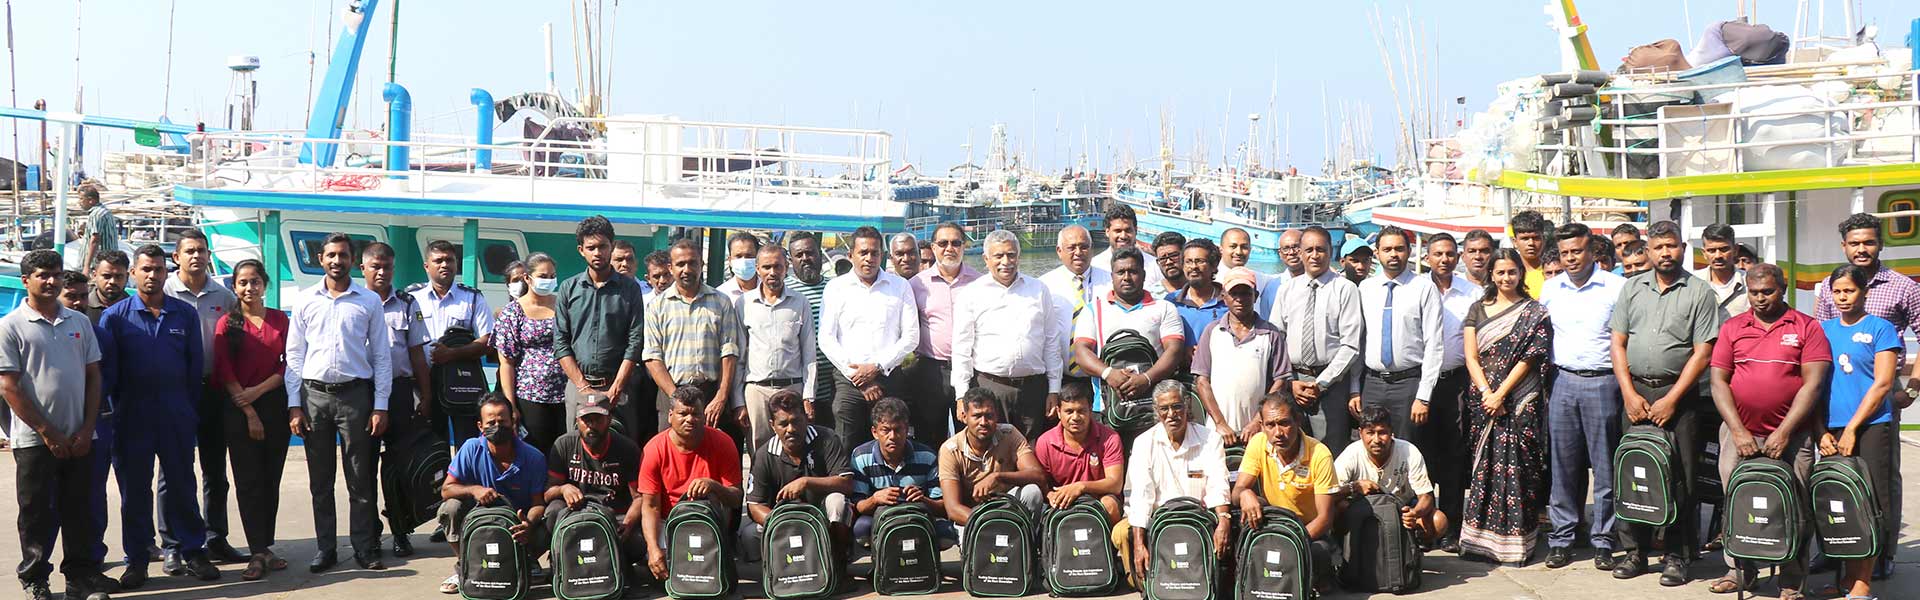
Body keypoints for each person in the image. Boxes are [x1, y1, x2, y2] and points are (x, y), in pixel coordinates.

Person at [1605, 220, 1719, 585]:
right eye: (1658, 247)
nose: (1665, 253)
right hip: (1635, 394)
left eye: (1671, 246)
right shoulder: (1632, 288)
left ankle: (1677, 555)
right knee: (1635, 473)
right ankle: (1635, 552)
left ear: (1682, 248)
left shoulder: (1699, 291)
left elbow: (1703, 352)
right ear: (1647, 250)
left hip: (1679, 398)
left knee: (1680, 477)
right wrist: (1628, 393)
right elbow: (1618, 342)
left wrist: (1672, 399)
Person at [1706, 264, 1828, 597]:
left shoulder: (1806, 327)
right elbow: (1719, 382)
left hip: (1794, 435)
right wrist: (1739, 431)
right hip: (1739, 433)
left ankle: (1792, 579)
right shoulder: (1733, 327)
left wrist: (1785, 431)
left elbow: (1813, 384)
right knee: (1739, 501)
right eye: (1754, 292)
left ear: (1783, 288)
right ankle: (1740, 571)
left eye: (1768, 291)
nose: (1760, 299)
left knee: (1796, 504)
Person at [100, 244, 219, 586]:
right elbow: (109, 375)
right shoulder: (116, 316)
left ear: (166, 273)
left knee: (182, 485)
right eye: (145, 269)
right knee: (134, 492)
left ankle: (193, 550)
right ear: (133, 274)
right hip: (131, 418)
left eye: (158, 269)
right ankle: (136, 558)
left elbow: (193, 366)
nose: (152, 275)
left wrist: (188, 410)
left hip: (176, 415)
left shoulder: (183, 314)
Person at [1811, 213, 1918, 582]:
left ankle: (1882, 553)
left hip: (1878, 406)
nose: (1862, 249)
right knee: (1835, 484)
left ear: (1880, 244)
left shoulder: (1903, 287)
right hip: (1834, 409)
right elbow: (1820, 351)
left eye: (1868, 242)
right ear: (1844, 246)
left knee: (1880, 484)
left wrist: (1913, 388)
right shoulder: (1828, 288)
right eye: (1855, 243)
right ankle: (1836, 550)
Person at [4, 249, 115, 600]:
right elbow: (8, 386)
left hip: (80, 436)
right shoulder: (10, 326)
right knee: (36, 513)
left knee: (80, 509)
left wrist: (86, 428)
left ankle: (80, 578)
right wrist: (47, 432)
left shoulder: (79, 322)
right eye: (42, 275)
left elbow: (94, 377)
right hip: (35, 441)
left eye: (55, 273)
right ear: (26, 281)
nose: (51, 281)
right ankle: (36, 579)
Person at [285, 232, 394, 573]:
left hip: (355, 397)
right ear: (321, 259)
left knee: (360, 479)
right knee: (320, 480)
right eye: (330, 255)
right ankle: (326, 549)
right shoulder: (305, 300)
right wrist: (294, 404)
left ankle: (364, 548)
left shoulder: (368, 301)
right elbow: (294, 354)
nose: (336, 261)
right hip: (314, 397)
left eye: (343, 255)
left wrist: (380, 405)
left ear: (352, 260)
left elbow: (381, 355)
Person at [1538, 222, 1628, 570]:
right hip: (1563, 382)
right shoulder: (1551, 289)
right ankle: (1562, 538)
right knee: (1563, 466)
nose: (1571, 258)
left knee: (1605, 468)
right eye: (1565, 253)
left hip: (1603, 383)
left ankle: (1604, 540)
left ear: (1591, 251)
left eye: (1577, 251)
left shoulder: (1615, 287)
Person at [1457, 248, 1552, 567]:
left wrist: (1502, 394)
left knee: (1522, 470)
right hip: (1483, 402)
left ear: (1520, 274)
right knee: (1483, 469)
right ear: (1492, 275)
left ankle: (1516, 544)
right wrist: (1487, 392)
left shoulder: (1534, 312)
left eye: (1512, 272)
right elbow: (1471, 356)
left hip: (1520, 400)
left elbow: (1531, 357)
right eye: (1500, 272)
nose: (1506, 277)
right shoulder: (1476, 309)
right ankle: (1479, 541)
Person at [158, 229, 247, 565]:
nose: (196, 256)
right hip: (175, 391)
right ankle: (172, 544)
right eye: (189, 251)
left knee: (215, 471)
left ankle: (215, 538)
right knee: (172, 471)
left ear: (209, 255)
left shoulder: (223, 297)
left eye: (201, 250)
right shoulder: (164, 293)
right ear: (176, 257)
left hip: (213, 390)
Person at [1816, 264, 1898, 600]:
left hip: (1871, 427)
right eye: (1837, 291)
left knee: (1872, 502)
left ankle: (1863, 581)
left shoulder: (1882, 329)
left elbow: (1883, 384)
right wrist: (1820, 429)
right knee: (1839, 502)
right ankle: (1844, 578)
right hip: (1830, 428)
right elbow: (1812, 385)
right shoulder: (1821, 330)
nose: (1843, 297)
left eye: (1849, 290)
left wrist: (1852, 428)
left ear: (1864, 292)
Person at [211, 259, 293, 581]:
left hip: (274, 402)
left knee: (271, 479)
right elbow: (224, 369)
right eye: (243, 282)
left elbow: (289, 362)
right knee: (248, 482)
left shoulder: (279, 320)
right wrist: (247, 408)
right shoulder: (225, 324)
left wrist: (258, 392)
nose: (249, 288)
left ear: (265, 284)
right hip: (238, 407)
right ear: (234, 287)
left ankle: (265, 547)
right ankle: (257, 551)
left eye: (255, 281)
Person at [360, 241, 435, 556]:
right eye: (375, 266)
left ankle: (401, 530)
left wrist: (426, 395)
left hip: (400, 392)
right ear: (362, 268)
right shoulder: (356, 302)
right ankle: (370, 535)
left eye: (387, 266)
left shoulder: (407, 304)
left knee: (400, 467)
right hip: (361, 392)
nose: (381, 272)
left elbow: (417, 354)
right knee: (362, 468)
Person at [953, 230, 1064, 442]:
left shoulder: (1039, 290)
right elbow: (961, 349)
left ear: (1018, 256)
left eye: (1011, 255)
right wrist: (961, 395)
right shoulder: (971, 294)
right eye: (999, 256)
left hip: (1033, 389)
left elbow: (1051, 342)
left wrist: (1054, 390)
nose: (1006, 261)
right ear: (986, 259)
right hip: (990, 386)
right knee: (993, 451)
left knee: (1032, 452)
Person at [1121, 380, 1233, 585]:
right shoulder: (1144, 443)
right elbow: (1141, 496)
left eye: (1177, 406)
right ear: (1156, 411)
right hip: (1159, 522)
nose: (1171, 414)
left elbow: (1218, 485)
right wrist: (1139, 543)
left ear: (1187, 405)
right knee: (1122, 535)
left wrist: (1224, 521)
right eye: (1164, 408)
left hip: (1199, 520)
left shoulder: (1210, 438)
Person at [435, 396, 549, 594]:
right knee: (450, 508)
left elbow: (539, 503)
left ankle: (526, 561)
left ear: (513, 421)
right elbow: (446, 489)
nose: (497, 426)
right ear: (480, 426)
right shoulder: (471, 448)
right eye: (491, 422)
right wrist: (473, 489)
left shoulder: (534, 457)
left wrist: (528, 525)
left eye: (503, 421)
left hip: (517, 527)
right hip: (481, 526)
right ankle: (466, 566)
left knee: (552, 516)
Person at [819, 226, 919, 450]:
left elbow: (911, 337)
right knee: (845, 445)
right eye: (863, 253)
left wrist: (877, 367)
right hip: (848, 380)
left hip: (889, 377)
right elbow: (826, 338)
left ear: (882, 256)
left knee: (892, 444)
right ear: (851, 255)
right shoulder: (836, 288)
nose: (869, 258)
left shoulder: (899, 286)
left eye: (874, 253)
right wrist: (858, 376)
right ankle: (845, 486)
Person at [1070, 247, 1186, 434]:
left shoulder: (1164, 307)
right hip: (1108, 409)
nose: (1126, 277)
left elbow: (1174, 351)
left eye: (1133, 271)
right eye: (1121, 272)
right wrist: (1109, 374)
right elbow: (1082, 352)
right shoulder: (1094, 309)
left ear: (1143, 274)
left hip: (1155, 408)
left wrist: (1146, 379)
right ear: (1112, 275)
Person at [1232, 395, 1340, 593]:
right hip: (1271, 527)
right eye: (1270, 425)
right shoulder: (1258, 443)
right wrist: (1245, 493)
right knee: (1251, 506)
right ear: (1262, 426)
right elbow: (1237, 492)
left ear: (1298, 421)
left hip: (1307, 532)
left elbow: (1325, 518)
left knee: (1319, 553)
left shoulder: (1320, 454)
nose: (1278, 432)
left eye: (1284, 423)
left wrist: (1290, 543)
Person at [556, 216, 649, 443]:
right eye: (591, 247)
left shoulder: (630, 289)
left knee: (622, 447)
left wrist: (616, 387)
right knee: (576, 448)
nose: (597, 252)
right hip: (579, 386)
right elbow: (560, 341)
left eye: (603, 246)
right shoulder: (568, 288)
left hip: (619, 388)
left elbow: (635, 341)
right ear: (581, 250)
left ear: (611, 246)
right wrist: (582, 386)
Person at [1273, 225, 1364, 456]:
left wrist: (1320, 384)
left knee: (1329, 452)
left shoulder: (1345, 289)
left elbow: (1351, 345)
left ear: (1330, 251)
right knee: (1294, 450)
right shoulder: (1287, 290)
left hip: (1330, 383)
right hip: (1293, 381)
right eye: (1309, 249)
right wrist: (1289, 380)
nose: (1315, 255)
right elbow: (1277, 338)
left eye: (1320, 249)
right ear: (1301, 253)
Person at [636, 385, 743, 582]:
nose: (689, 419)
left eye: (695, 414)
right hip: (669, 521)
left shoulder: (723, 442)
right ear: (670, 415)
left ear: (704, 416)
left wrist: (714, 485)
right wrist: (653, 548)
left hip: (709, 519)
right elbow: (650, 506)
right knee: (669, 570)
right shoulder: (654, 449)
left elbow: (736, 498)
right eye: (682, 413)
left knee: (704, 573)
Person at [1352, 225, 1446, 448]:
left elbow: (1434, 343)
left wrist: (1423, 396)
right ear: (1377, 253)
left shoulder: (1424, 288)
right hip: (1372, 383)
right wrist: (1355, 388)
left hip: (1408, 384)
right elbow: (1358, 341)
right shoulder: (1366, 288)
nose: (1393, 254)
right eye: (1387, 249)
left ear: (1409, 251)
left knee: (1407, 450)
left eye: (1399, 249)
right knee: (1371, 448)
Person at [643, 238, 744, 446]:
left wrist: (721, 396)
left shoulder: (721, 302)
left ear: (701, 265)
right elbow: (653, 358)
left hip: (710, 394)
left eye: (692, 263)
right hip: (671, 392)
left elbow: (729, 351)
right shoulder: (656, 307)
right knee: (671, 455)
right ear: (671, 268)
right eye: (680, 264)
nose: (686, 269)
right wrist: (676, 397)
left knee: (712, 455)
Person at [1418, 232, 1480, 552]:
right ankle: (1426, 526)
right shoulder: (1415, 289)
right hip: (1420, 384)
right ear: (1427, 258)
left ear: (1458, 258)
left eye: (1450, 254)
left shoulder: (1473, 293)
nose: (1444, 259)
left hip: (1457, 382)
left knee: (1455, 457)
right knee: (1424, 456)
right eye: (1438, 254)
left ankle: (1452, 528)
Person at [541, 392, 644, 583]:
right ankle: (561, 561)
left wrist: (628, 524)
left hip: (614, 516)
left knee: (638, 542)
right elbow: (547, 494)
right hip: (576, 515)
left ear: (609, 418)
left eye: (597, 419)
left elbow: (639, 497)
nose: (591, 425)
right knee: (553, 510)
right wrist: (563, 489)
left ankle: (618, 564)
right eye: (586, 419)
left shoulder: (627, 448)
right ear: (577, 420)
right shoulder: (564, 444)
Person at [745, 390, 856, 561]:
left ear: (806, 418)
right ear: (772, 425)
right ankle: (780, 571)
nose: (791, 429)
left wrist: (806, 482)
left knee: (838, 503)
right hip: (783, 519)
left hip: (821, 517)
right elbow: (755, 505)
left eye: (796, 421)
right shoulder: (763, 454)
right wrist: (782, 524)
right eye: (783, 424)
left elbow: (846, 484)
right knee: (749, 537)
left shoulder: (827, 438)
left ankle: (837, 561)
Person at [409, 239, 495, 448]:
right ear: (426, 266)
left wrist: (451, 354)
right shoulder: (412, 298)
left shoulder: (472, 298)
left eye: (449, 260)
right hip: (423, 382)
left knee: (468, 443)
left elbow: (488, 340)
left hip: (462, 384)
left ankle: (464, 481)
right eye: (438, 260)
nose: (444, 265)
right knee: (431, 446)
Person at [1193, 267, 1289, 445]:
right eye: (1234, 293)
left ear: (1256, 295)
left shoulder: (1270, 333)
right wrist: (1220, 424)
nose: (1239, 299)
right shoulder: (1212, 331)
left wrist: (1257, 421)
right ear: (1224, 296)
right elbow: (1202, 381)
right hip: (1217, 431)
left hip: (1259, 431)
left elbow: (1280, 381)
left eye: (1245, 293)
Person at [907, 222, 981, 446]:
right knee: (929, 434)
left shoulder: (981, 283)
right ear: (934, 247)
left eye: (956, 243)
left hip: (971, 369)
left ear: (964, 246)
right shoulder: (915, 284)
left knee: (970, 434)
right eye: (943, 243)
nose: (950, 248)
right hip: (931, 371)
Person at [737, 243, 817, 447]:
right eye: (766, 267)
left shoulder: (800, 302)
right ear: (757, 269)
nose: (772, 272)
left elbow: (809, 354)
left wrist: (808, 395)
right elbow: (738, 357)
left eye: (777, 267)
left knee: (794, 447)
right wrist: (738, 400)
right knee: (759, 450)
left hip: (792, 387)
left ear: (786, 267)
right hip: (757, 389)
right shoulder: (744, 304)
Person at [1335, 407, 1449, 544]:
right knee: (1338, 507)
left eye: (1382, 433)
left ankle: (1415, 548)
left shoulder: (1409, 451)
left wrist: (1414, 513)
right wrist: (1354, 487)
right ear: (1361, 433)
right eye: (1370, 433)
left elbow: (1426, 496)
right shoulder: (1351, 454)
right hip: (1363, 511)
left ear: (1391, 433)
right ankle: (1344, 549)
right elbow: (1328, 494)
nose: (1376, 439)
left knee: (1438, 520)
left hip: (1401, 509)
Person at [937, 388, 1049, 524]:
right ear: (964, 417)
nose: (983, 422)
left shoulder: (1009, 434)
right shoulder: (950, 449)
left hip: (1009, 505)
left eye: (989, 416)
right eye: (977, 416)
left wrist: (998, 477)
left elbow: (1038, 475)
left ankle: (1027, 539)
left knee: (1032, 492)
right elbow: (953, 509)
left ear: (997, 416)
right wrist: (988, 526)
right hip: (973, 515)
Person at [850, 397, 951, 543]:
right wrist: (875, 499)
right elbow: (858, 506)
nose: (892, 436)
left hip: (918, 514)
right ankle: (882, 559)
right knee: (861, 530)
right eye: (886, 430)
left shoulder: (927, 456)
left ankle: (928, 561)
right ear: (874, 432)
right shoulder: (860, 456)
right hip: (881, 517)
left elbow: (942, 506)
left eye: (898, 430)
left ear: (907, 429)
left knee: (946, 533)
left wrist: (923, 500)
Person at [499, 252, 568, 455]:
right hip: (531, 396)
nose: (548, 281)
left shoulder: (565, 306)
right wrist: (511, 406)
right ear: (528, 278)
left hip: (566, 394)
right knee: (536, 452)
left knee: (564, 453)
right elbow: (506, 363)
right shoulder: (513, 312)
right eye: (543, 276)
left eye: (552, 276)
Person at [1034, 382, 1124, 520]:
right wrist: (1050, 495)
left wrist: (1081, 487)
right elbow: (1041, 484)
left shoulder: (1110, 438)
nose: (1075, 417)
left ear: (1090, 409)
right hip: (1062, 503)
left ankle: (1108, 542)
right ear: (1058, 412)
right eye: (1069, 411)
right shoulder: (1045, 441)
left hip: (1097, 500)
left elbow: (1115, 484)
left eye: (1081, 411)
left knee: (1109, 504)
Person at [1041, 225, 1111, 363]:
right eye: (1071, 248)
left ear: (1092, 249)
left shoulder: (1110, 282)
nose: (1078, 252)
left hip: (1104, 371)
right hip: (1060, 374)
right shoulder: (1044, 286)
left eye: (1084, 247)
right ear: (1059, 251)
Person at [784, 231, 836, 405]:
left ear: (819, 255)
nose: (805, 258)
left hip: (835, 383)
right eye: (799, 255)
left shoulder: (836, 288)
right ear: (791, 260)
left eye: (810, 253)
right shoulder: (783, 292)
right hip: (798, 386)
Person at [1167, 239, 1230, 358]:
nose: (1193, 267)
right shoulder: (1171, 302)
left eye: (1200, 261)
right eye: (1188, 262)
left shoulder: (1228, 301)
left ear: (1214, 265)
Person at [1092, 204, 1162, 290]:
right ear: (1107, 232)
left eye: (1128, 230)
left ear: (1136, 231)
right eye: (1118, 231)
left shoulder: (1154, 266)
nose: (1123, 236)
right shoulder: (1095, 266)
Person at [1699, 223, 1748, 317]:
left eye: (1724, 249)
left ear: (1735, 250)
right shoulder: (1693, 283)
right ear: (1704, 253)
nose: (1718, 256)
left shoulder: (1750, 283)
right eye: (1711, 250)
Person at [78, 186, 118, 274]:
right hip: (108, 262)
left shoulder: (96, 215)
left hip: (97, 265)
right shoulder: (105, 212)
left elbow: (95, 240)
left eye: (81, 199)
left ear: (90, 200)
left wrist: (86, 266)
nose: (79, 202)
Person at [1509, 210, 1551, 293]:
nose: (1531, 243)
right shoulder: (1508, 274)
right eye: (1525, 238)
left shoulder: (1554, 271)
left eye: (1536, 238)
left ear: (1544, 239)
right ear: (1515, 242)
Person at [84, 251, 129, 324]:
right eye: (107, 276)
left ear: (127, 277)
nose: (113, 281)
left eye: (119, 276)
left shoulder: (137, 309)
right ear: (94, 275)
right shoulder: (81, 306)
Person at [716, 231, 763, 302]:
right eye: (738, 256)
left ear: (757, 259)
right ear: (730, 260)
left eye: (749, 256)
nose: (744, 260)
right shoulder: (721, 294)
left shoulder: (770, 290)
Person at [1150, 231, 1188, 296]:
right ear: (1158, 263)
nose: (1169, 262)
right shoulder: (1152, 296)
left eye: (1174, 255)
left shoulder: (1202, 289)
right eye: (1162, 258)